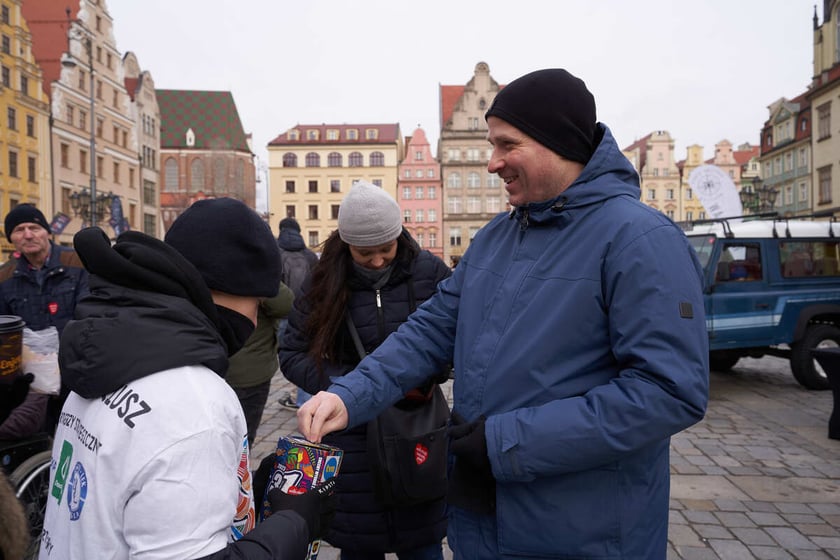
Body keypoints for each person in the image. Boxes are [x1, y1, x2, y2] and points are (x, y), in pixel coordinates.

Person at [297, 69, 710, 559]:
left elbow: (668, 392)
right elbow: (430, 330)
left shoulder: (640, 240)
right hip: (483, 517)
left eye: (507, 145)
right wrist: (350, 395)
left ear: (558, 144)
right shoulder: (497, 236)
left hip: (583, 532)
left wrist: (504, 441)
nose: (492, 162)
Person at [39, 198, 334, 560]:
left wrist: (242, 490)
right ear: (221, 291)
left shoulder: (106, 358)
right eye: (257, 302)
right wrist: (293, 524)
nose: (256, 319)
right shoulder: (196, 406)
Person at [279, 181, 452, 559]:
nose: (377, 261)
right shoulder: (322, 281)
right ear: (346, 245)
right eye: (365, 253)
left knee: (423, 544)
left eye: (386, 249)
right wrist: (344, 387)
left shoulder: (430, 272)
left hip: (417, 428)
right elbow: (291, 352)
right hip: (352, 437)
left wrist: (428, 372)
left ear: (399, 236)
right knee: (360, 543)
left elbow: (452, 340)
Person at [0, 204, 89, 435]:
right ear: (11, 238)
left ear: (47, 231)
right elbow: (5, 330)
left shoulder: (77, 262)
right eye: (19, 230)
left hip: (77, 368)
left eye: (34, 227)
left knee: (80, 432)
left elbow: (90, 313)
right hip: (34, 378)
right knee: (42, 434)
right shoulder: (5, 276)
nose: (28, 235)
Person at [226, 282, 294, 446]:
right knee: (242, 438)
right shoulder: (251, 269)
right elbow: (286, 304)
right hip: (248, 370)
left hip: (206, 365)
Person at [276, 217, 319, 410]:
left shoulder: (276, 253)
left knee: (287, 358)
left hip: (281, 315)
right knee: (306, 356)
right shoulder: (309, 255)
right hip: (307, 313)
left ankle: (298, 398)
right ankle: (303, 399)